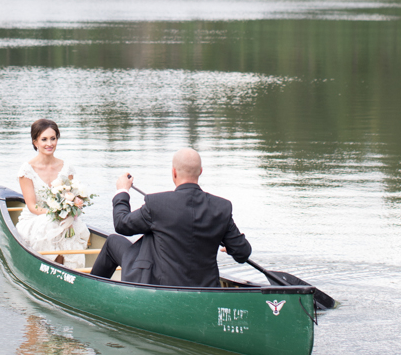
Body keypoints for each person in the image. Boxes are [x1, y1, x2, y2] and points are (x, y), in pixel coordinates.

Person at [90, 147, 251, 286]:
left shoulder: (157, 204)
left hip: (163, 290)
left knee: (112, 242)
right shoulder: (221, 208)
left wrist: (122, 191)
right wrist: (230, 246)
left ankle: (90, 291)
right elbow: (243, 253)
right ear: (200, 172)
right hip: (206, 289)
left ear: (173, 172)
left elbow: (121, 224)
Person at [16, 118, 90, 271]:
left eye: (53, 138)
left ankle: (69, 270)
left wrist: (70, 210)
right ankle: (51, 267)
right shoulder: (27, 170)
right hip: (35, 218)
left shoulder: (66, 168)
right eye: (44, 139)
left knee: (69, 226)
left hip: (61, 216)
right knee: (51, 224)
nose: (49, 143)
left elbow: (71, 196)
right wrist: (55, 214)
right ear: (35, 142)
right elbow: (33, 207)